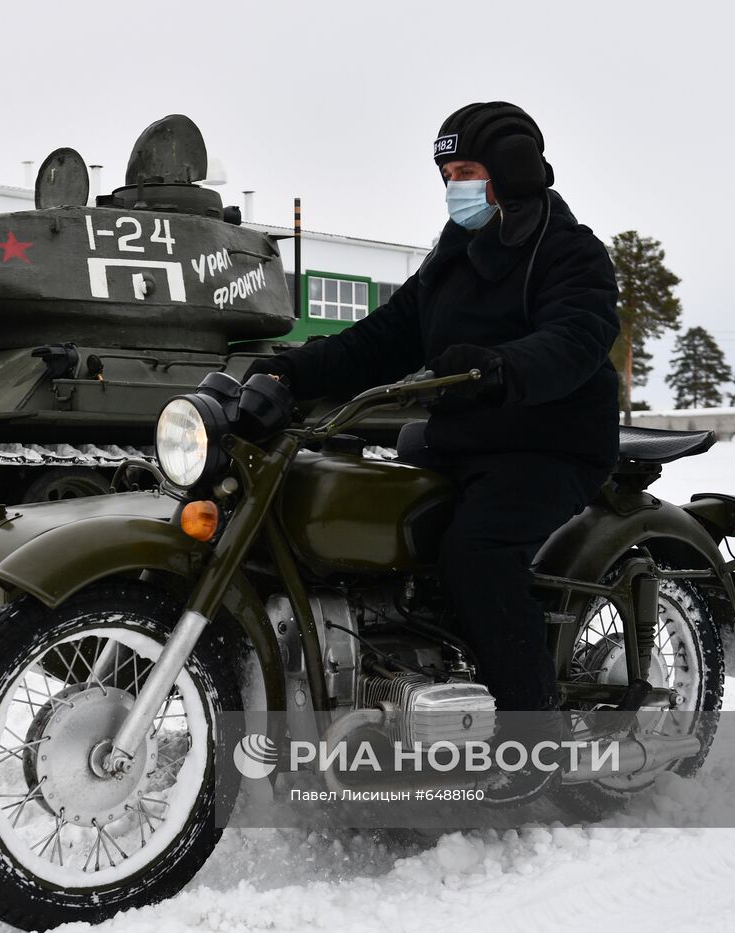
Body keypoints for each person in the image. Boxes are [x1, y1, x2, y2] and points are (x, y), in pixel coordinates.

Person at [247, 101, 620, 745]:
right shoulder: (455, 253)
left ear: (512, 170)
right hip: (463, 441)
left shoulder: (569, 251)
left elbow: (577, 336)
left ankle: (533, 735)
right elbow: (384, 338)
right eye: (446, 171)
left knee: (477, 554)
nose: (454, 184)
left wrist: (502, 366)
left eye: (467, 169)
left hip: (547, 445)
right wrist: (291, 369)